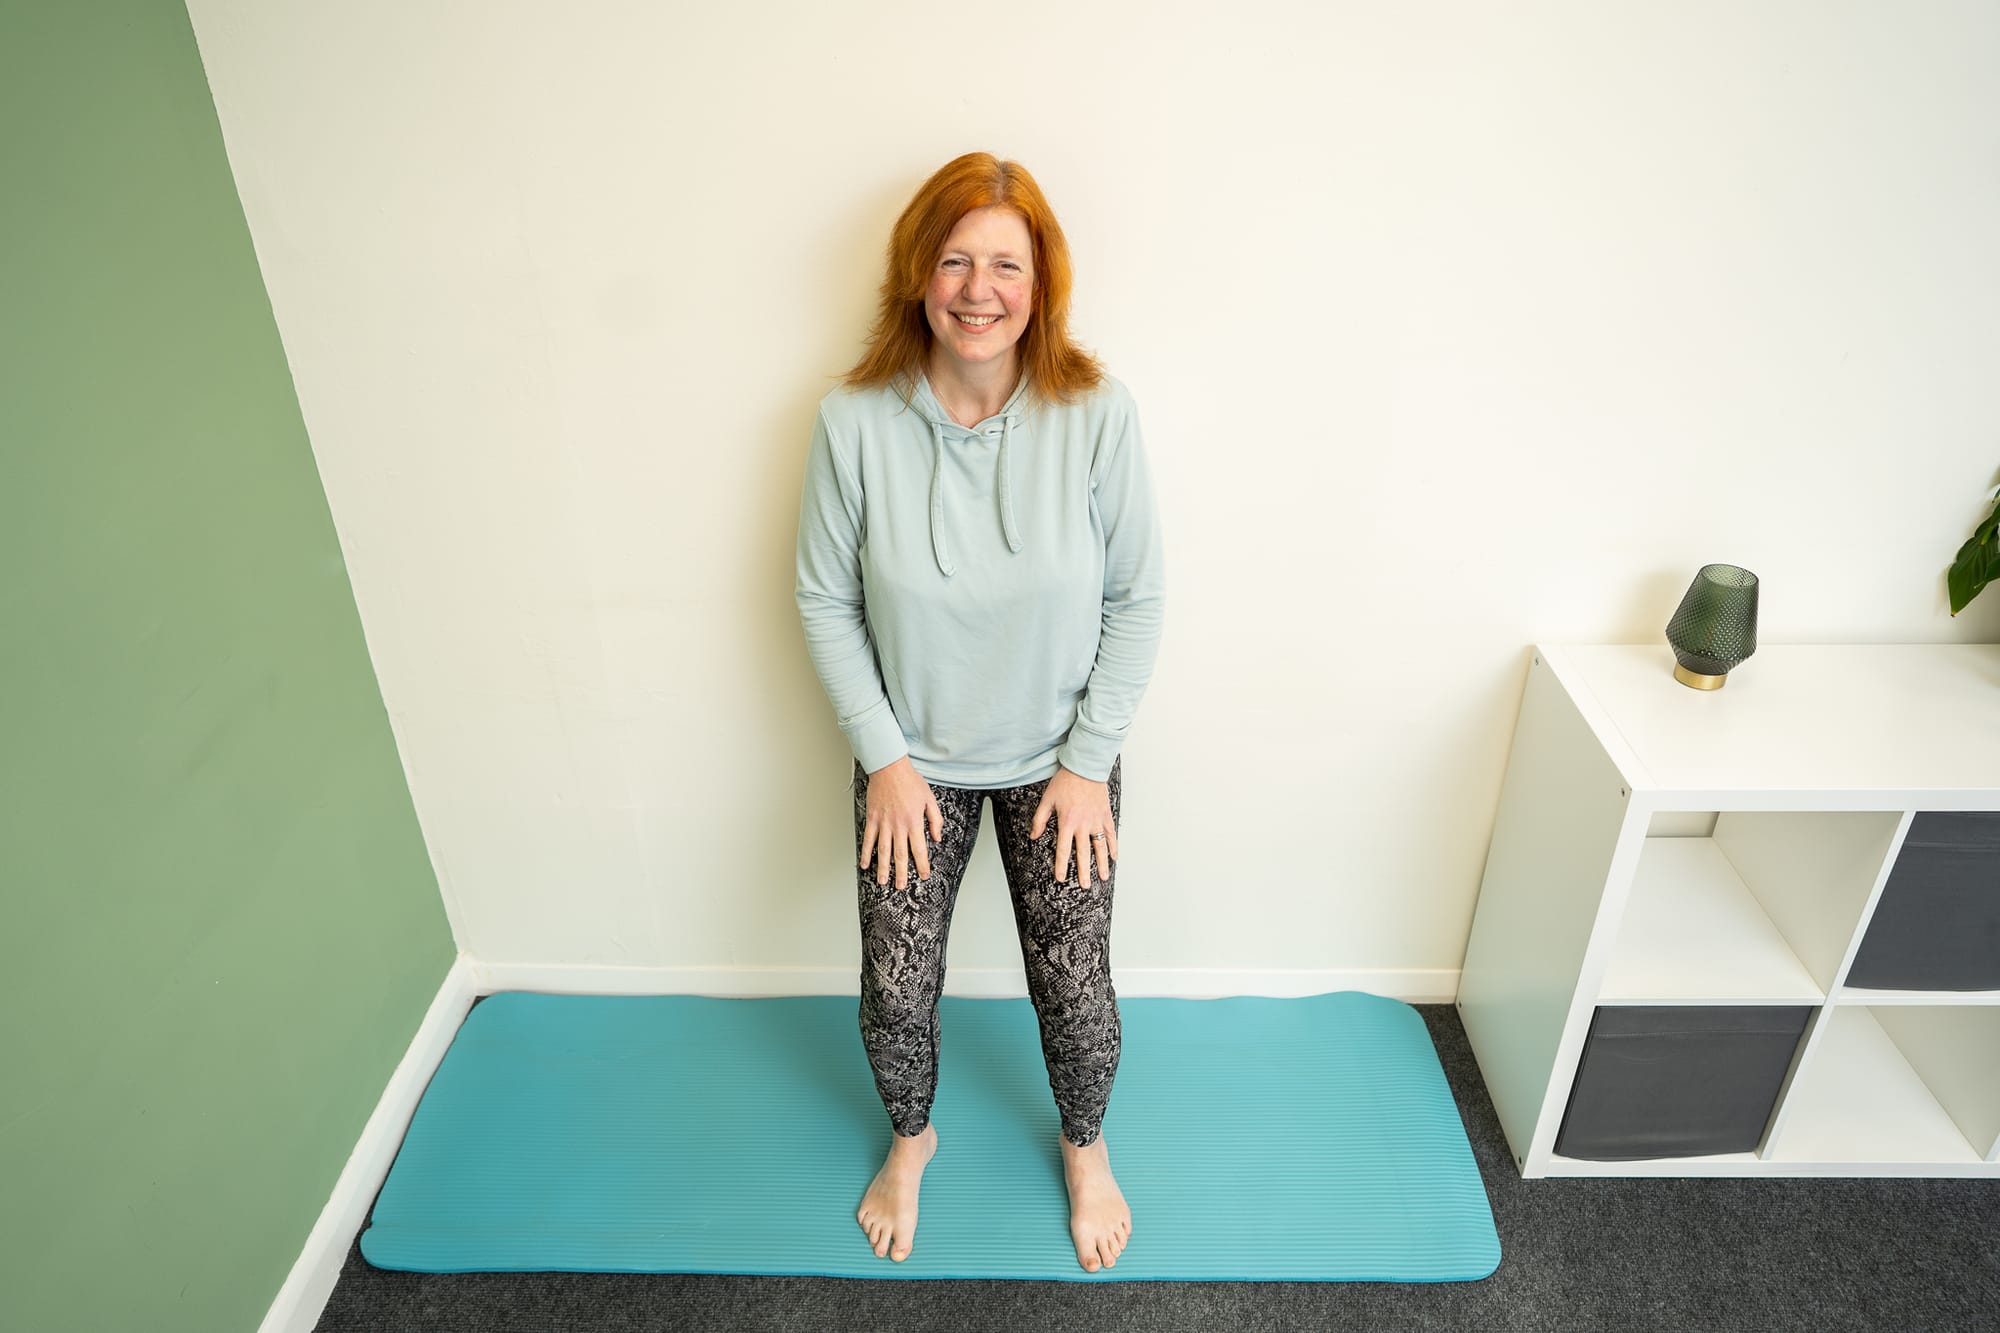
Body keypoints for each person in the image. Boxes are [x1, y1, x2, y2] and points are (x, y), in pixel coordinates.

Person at [793, 151, 1166, 1274]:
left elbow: (1138, 598)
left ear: (1039, 284)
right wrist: (884, 759)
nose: (977, 289)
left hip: (1061, 762)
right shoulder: (852, 421)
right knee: (895, 991)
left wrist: (1088, 763)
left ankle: (1086, 1146)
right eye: (955, 260)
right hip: (913, 763)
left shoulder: (1096, 413)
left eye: (1005, 264)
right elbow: (822, 599)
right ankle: (911, 1140)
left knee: (1076, 988)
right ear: (919, 274)